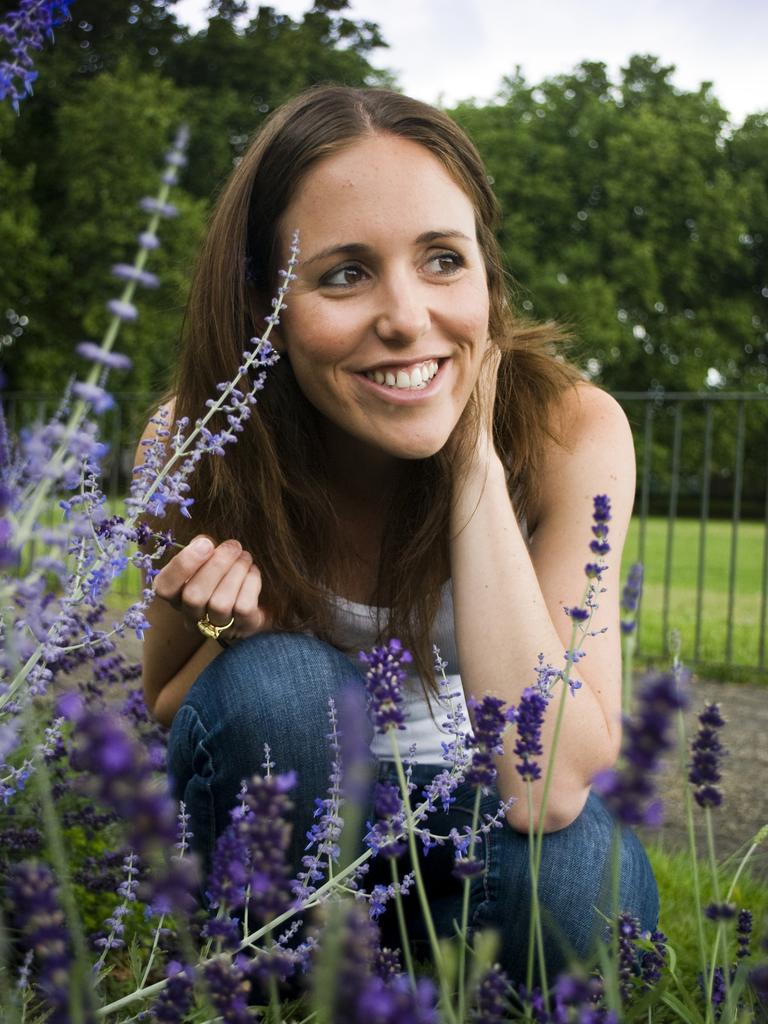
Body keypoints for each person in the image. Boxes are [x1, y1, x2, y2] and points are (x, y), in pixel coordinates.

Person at [137, 84, 657, 982]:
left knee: (577, 887)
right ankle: (278, 967)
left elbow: (546, 785)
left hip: (483, 833)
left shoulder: (575, 431)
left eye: (443, 260)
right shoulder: (199, 439)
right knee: (277, 686)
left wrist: (473, 469)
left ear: (487, 272)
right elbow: (170, 710)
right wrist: (230, 636)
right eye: (344, 272)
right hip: (289, 836)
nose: (407, 317)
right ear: (266, 301)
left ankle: (379, 977)